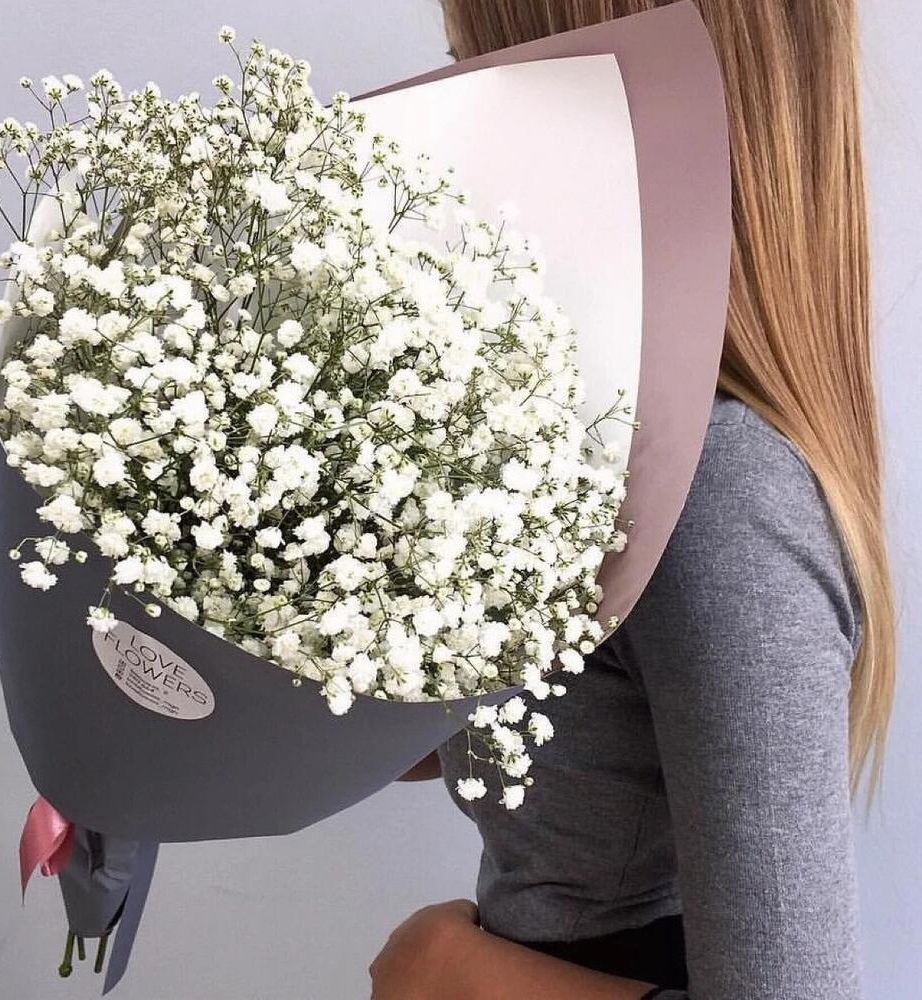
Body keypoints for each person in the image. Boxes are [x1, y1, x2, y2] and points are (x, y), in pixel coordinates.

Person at [368, 2, 895, 998]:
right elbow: (583, 728)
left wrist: (449, 969)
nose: (457, 113)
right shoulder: (592, 436)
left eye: (486, 65)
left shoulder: (720, 490)